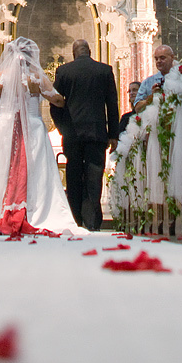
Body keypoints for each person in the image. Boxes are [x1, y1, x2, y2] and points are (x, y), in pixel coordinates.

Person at [0, 38, 82, 235]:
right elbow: (57, 100)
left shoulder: (1, 76)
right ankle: (35, 211)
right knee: (37, 172)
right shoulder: (36, 77)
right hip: (31, 127)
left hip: (6, 127)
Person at [49, 39, 119, 231]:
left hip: (72, 133)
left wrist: (63, 128)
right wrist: (113, 134)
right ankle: (92, 222)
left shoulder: (64, 71)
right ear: (89, 51)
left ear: (74, 52)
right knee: (94, 176)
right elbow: (112, 104)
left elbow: (55, 103)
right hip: (97, 133)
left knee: (73, 176)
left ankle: (76, 219)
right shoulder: (105, 70)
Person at [133, 45, 176, 111]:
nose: (158, 61)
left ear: (172, 57)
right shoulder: (147, 82)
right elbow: (137, 108)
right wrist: (151, 97)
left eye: (162, 58)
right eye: (156, 59)